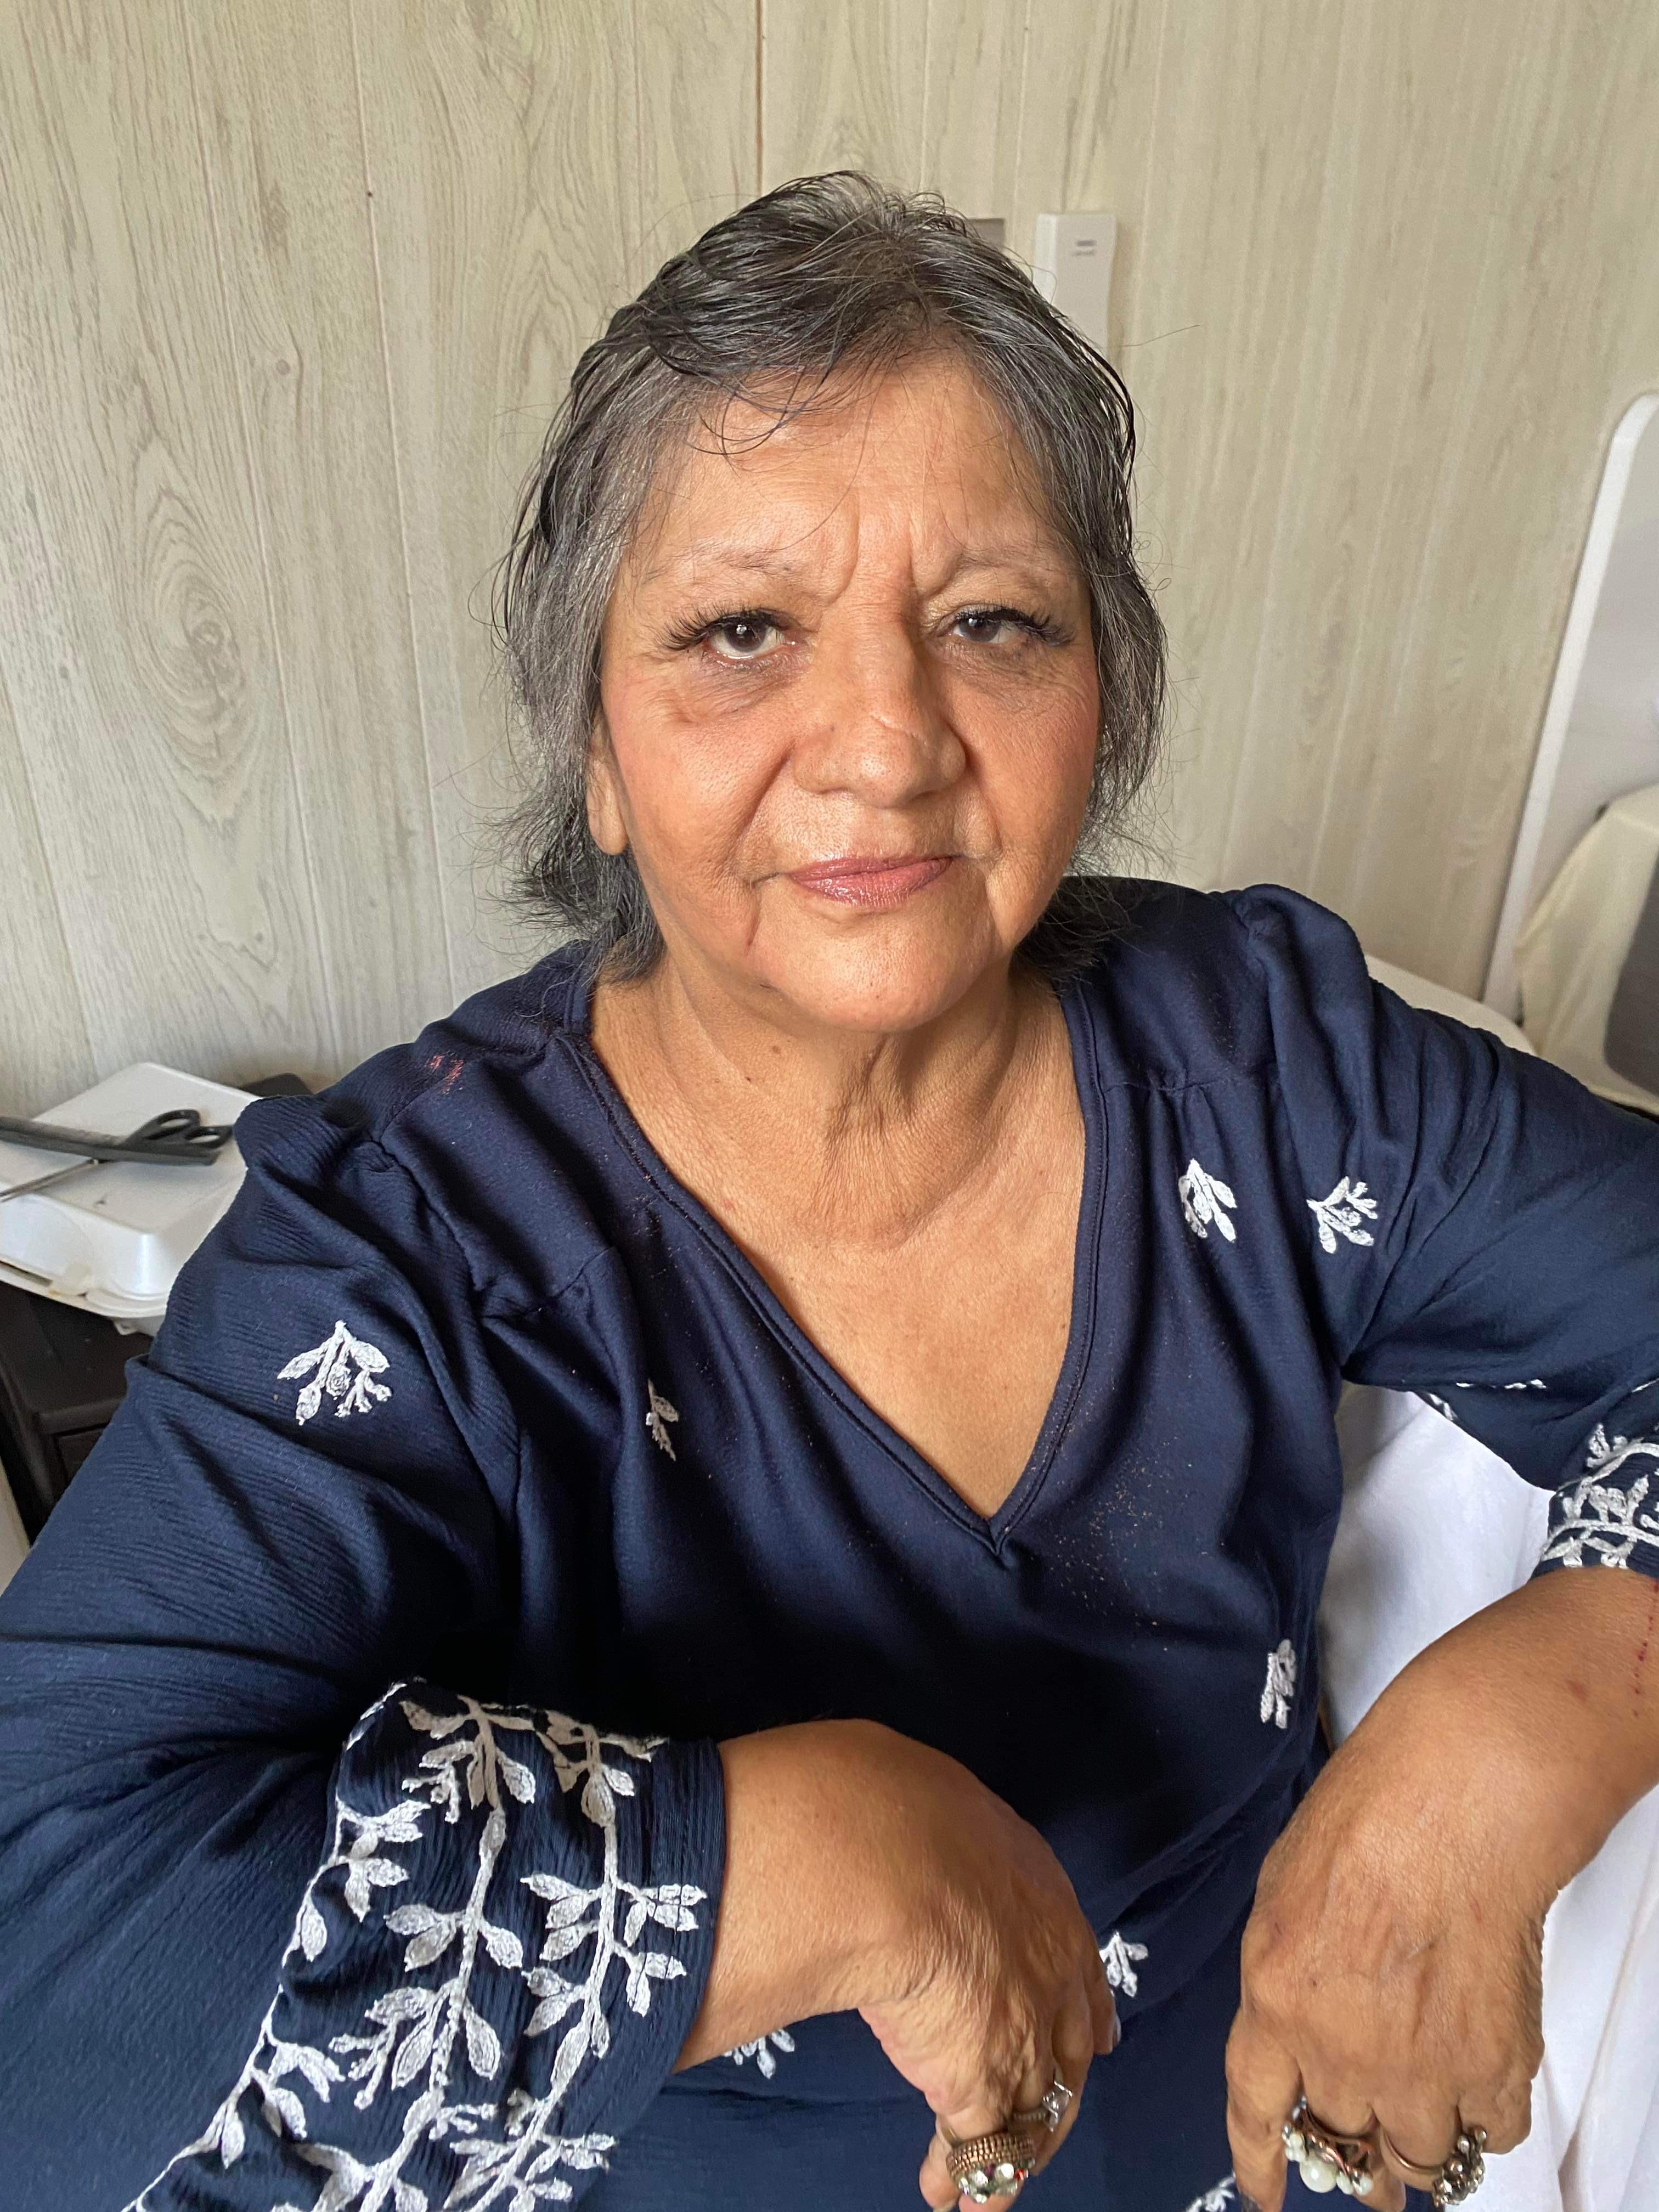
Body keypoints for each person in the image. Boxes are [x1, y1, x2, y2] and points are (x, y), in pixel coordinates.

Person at [1, 171, 1656, 2212]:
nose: (882, 744)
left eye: (990, 623)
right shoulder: (416, 1265)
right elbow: (46, 1998)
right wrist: (804, 1861)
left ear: (1103, 706)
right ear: (594, 751)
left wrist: (1511, 1734)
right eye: (741, 631)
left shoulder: (1268, 1068)